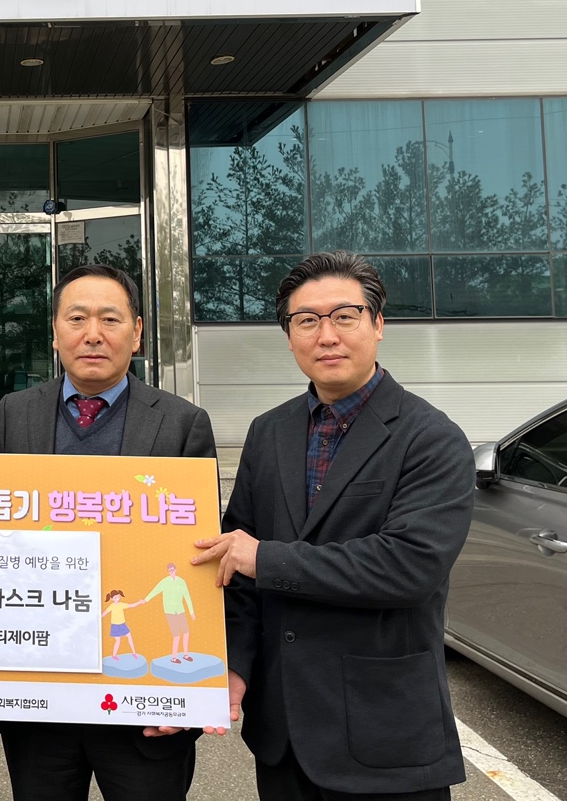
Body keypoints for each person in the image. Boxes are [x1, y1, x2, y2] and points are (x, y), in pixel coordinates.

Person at [191, 251, 476, 801]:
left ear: (378, 324)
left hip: (384, 734)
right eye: (307, 321)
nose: (327, 335)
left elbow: (409, 566)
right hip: (283, 733)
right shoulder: (269, 431)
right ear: (289, 336)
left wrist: (267, 558)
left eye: (345, 316)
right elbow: (235, 566)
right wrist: (234, 664)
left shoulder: (430, 437)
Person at [0, 264, 218, 801]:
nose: (92, 334)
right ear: (55, 332)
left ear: (136, 333)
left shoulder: (182, 423)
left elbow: (203, 553)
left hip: (144, 709)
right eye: (77, 318)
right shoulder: (14, 414)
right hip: (40, 695)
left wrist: (189, 698)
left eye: (110, 319)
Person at [142, 562, 195, 662]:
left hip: (180, 610)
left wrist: (191, 612)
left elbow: (187, 597)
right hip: (169, 611)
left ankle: (186, 655)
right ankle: (174, 658)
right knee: (176, 635)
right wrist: (146, 599)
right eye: (169, 571)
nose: (171, 572)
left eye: (172, 570)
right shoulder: (164, 582)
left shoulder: (182, 582)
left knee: (186, 632)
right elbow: (155, 590)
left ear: (176, 569)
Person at [101, 590, 140, 660]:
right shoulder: (112, 606)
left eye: (118, 597)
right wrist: (98, 617)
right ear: (112, 599)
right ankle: (114, 655)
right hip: (115, 626)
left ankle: (134, 653)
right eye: (115, 597)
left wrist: (139, 602)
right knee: (118, 641)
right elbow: (105, 613)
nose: (117, 598)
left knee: (129, 637)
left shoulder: (121, 604)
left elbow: (131, 605)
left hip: (122, 624)